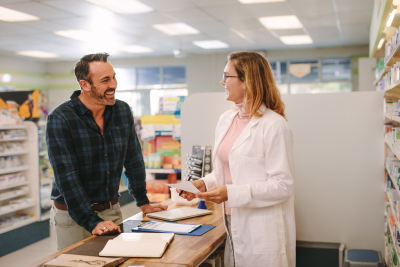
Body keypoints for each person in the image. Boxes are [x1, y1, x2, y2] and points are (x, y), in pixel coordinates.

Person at [181, 51, 295, 267]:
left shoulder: (275, 125)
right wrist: (203, 183)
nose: (222, 81)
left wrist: (230, 193)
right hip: (232, 221)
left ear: (246, 81)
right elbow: (227, 170)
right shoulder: (226, 120)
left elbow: (283, 185)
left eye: (227, 76)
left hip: (262, 227)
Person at [46, 53, 167, 250]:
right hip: (72, 216)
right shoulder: (61, 118)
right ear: (85, 85)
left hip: (111, 210)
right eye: (105, 80)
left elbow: (133, 159)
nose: (114, 84)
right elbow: (66, 177)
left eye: (114, 77)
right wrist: (91, 221)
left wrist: (143, 201)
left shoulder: (122, 111)